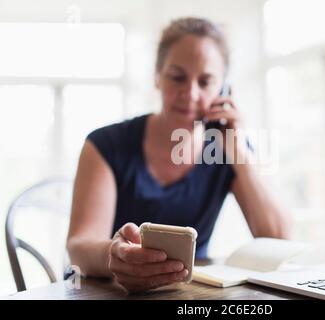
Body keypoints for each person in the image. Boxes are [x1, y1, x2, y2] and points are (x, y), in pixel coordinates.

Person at [66, 17, 292, 293]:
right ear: (157, 76)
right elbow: (79, 246)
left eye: (206, 81)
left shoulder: (225, 148)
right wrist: (115, 255)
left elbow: (278, 238)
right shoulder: (106, 143)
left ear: (223, 89)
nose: (190, 93)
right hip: (106, 290)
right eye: (178, 77)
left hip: (185, 293)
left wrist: (237, 149)